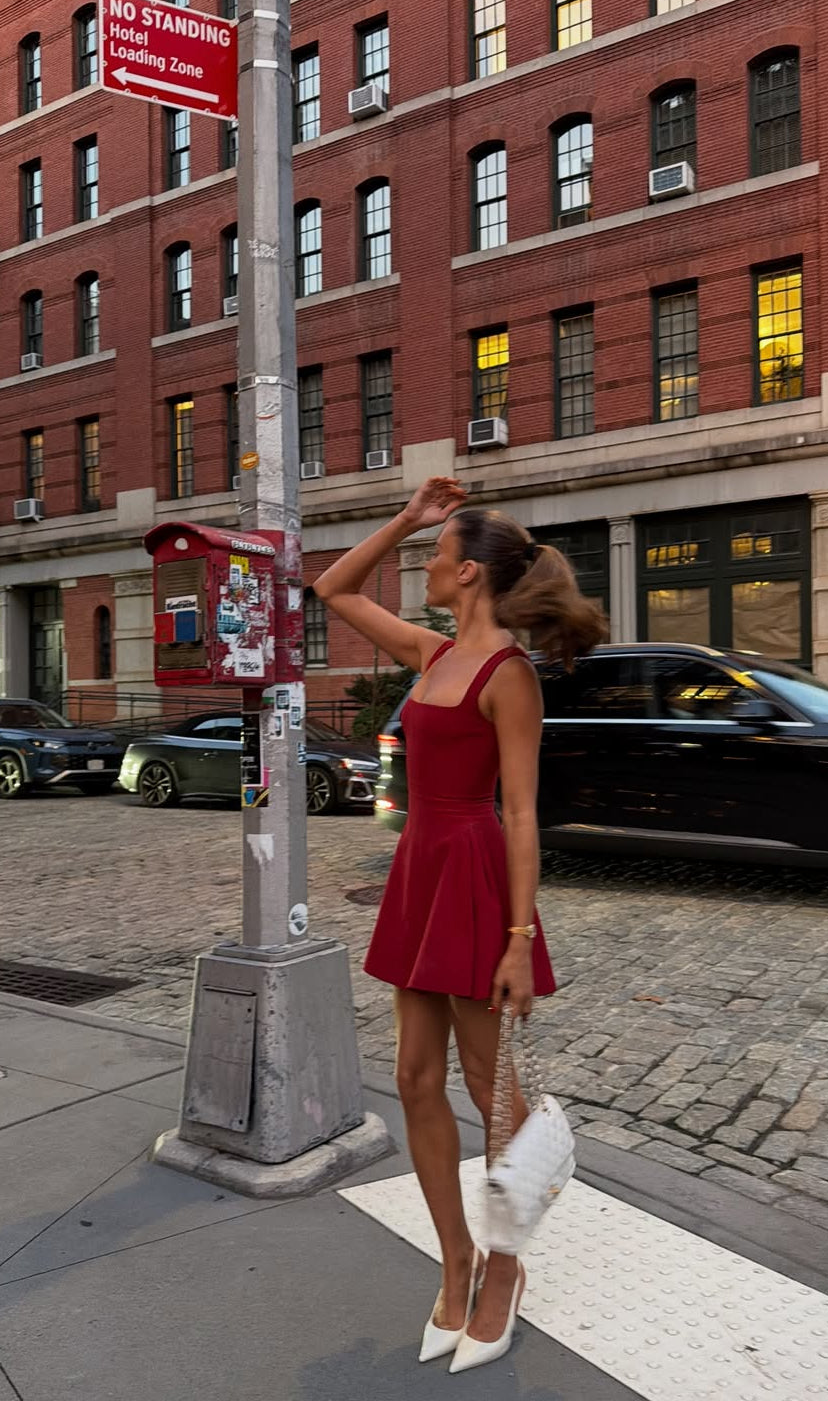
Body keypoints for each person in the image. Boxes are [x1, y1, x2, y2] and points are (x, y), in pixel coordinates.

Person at [312, 476, 607, 1372]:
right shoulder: (434, 656)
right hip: (420, 873)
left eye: (436, 558)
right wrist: (409, 517)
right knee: (411, 1080)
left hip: (475, 875)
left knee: (493, 1093)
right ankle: (457, 1263)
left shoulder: (507, 676)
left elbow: (521, 814)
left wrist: (519, 940)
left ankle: (506, 1270)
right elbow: (334, 590)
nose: (425, 569)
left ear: (469, 575)